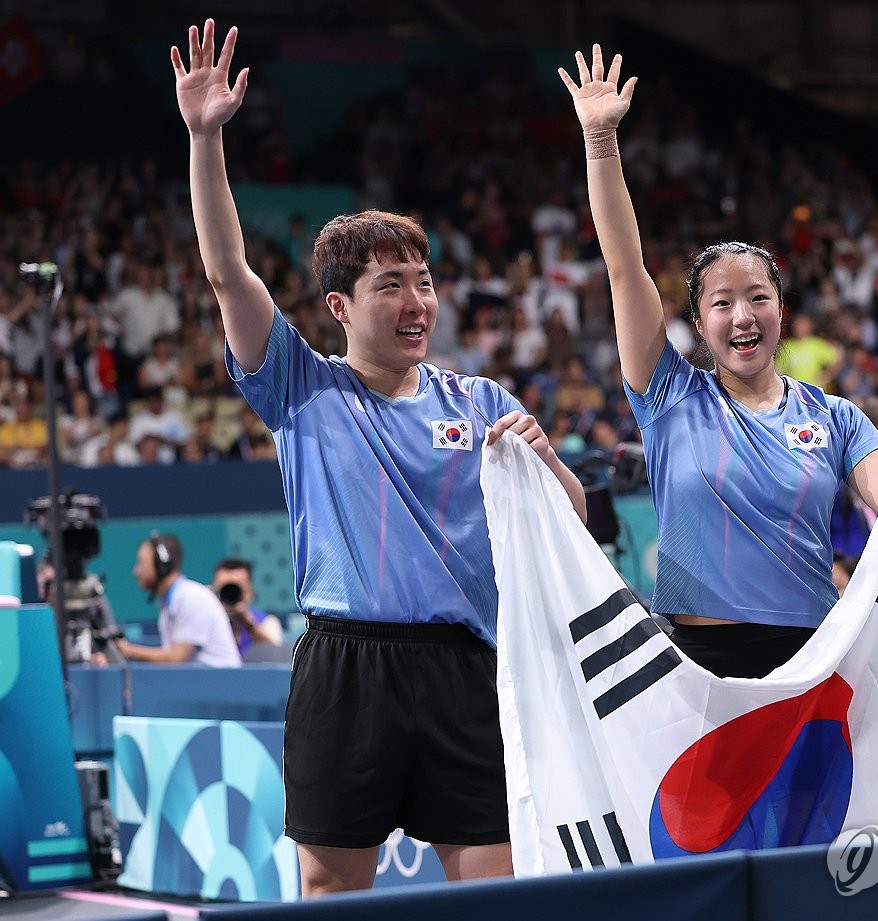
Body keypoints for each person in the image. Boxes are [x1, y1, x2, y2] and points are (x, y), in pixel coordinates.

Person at [173, 19, 585, 895]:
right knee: (329, 892)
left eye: (425, 280)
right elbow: (226, 273)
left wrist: (548, 459)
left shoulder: (482, 403)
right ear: (338, 304)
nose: (416, 300)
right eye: (390, 284)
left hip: (467, 665)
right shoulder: (299, 387)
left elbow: (575, 520)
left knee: (499, 886)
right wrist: (206, 138)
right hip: (346, 664)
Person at [559, 45, 878, 679]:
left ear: (782, 311)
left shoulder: (836, 418)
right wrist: (600, 143)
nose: (743, 316)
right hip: (700, 665)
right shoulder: (670, 395)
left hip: (812, 661)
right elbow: (624, 269)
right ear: (698, 323)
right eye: (722, 303)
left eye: (758, 298)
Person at [115, 533, 242, 667]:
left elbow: (176, 659)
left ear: (161, 565)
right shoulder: (172, 602)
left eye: (141, 562)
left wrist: (127, 651)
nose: (136, 571)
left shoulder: (191, 597)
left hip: (224, 685)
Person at [212, 557, 283, 655]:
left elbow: (275, 654)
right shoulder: (204, 621)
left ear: (250, 592)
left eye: (236, 589)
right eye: (224, 589)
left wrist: (248, 623)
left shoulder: (267, 622)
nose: (230, 595)